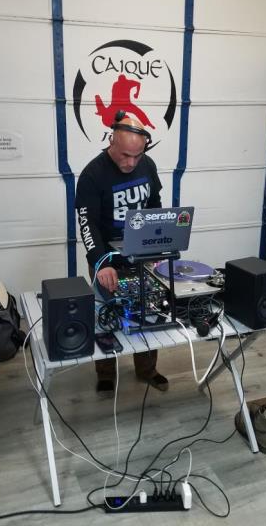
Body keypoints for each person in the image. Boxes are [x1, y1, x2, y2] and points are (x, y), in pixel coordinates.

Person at [75, 112, 169, 397]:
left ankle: (147, 370)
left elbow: (154, 205)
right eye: (125, 155)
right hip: (106, 255)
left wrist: (156, 247)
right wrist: (100, 263)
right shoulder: (92, 175)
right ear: (112, 142)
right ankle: (106, 374)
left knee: (147, 310)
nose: (131, 163)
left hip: (139, 253)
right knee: (106, 315)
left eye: (137, 156)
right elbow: (87, 224)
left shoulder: (147, 165)